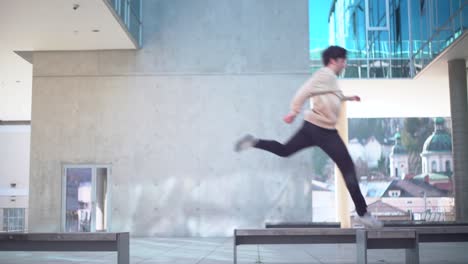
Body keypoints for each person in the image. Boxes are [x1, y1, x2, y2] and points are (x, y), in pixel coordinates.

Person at [234, 45, 383, 228]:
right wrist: (293, 111)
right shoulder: (324, 75)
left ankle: (254, 142)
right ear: (333, 61)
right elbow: (304, 91)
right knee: (348, 168)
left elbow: (331, 96)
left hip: (313, 127)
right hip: (323, 131)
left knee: (284, 150)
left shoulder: (330, 79)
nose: (345, 64)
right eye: (342, 60)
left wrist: (348, 98)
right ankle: (363, 213)